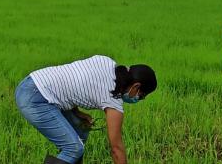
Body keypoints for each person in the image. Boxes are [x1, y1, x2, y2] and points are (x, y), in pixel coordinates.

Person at [15, 55, 157, 164]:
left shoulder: (106, 61)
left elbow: (74, 80)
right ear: (136, 87)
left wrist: (77, 112)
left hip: (32, 83)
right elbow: (116, 148)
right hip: (36, 98)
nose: (138, 99)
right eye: (141, 96)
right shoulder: (113, 102)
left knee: (80, 129)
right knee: (74, 148)